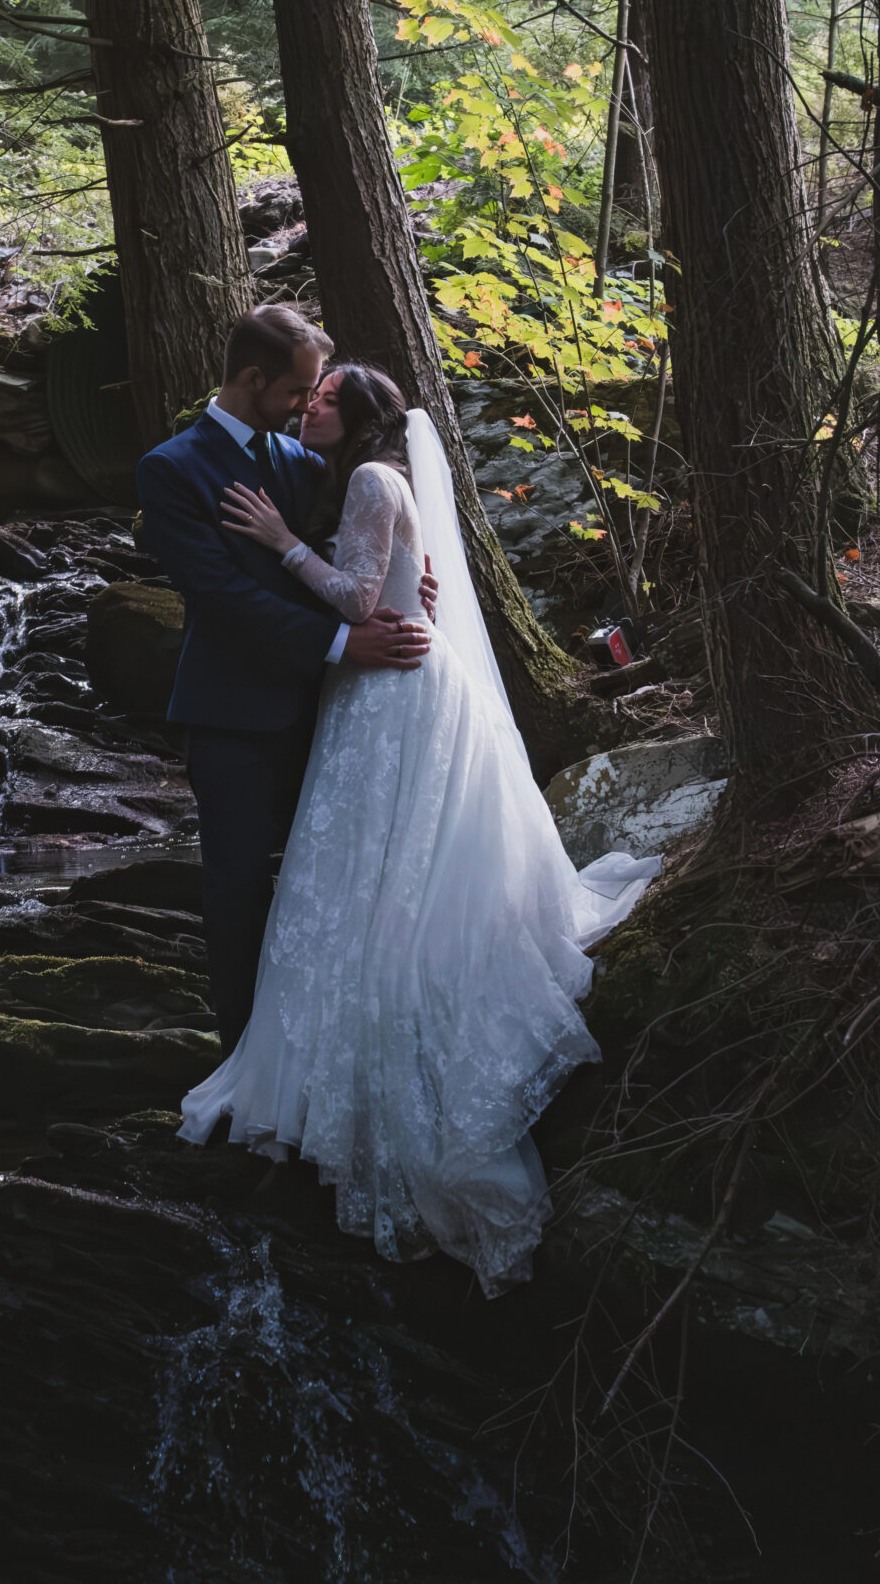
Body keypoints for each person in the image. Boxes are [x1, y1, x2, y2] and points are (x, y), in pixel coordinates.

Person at [176, 361, 659, 1295]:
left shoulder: (365, 477)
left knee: (375, 873)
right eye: (304, 393)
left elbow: (360, 602)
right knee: (370, 871)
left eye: (323, 400)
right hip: (386, 686)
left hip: (390, 690)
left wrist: (281, 542)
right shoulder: (367, 474)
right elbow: (402, 582)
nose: (306, 405)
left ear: (357, 419)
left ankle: (348, 1080)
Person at [133, 306, 435, 1056]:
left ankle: (323, 1051)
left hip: (328, 714)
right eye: (300, 390)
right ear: (252, 378)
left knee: (329, 887)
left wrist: (408, 589)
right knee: (237, 891)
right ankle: (242, 1059)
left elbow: (353, 549)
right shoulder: (172, 468)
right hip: (232, 714)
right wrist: (344, 640)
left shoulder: (306, 460)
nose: (310, 403)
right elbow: (223, 598)